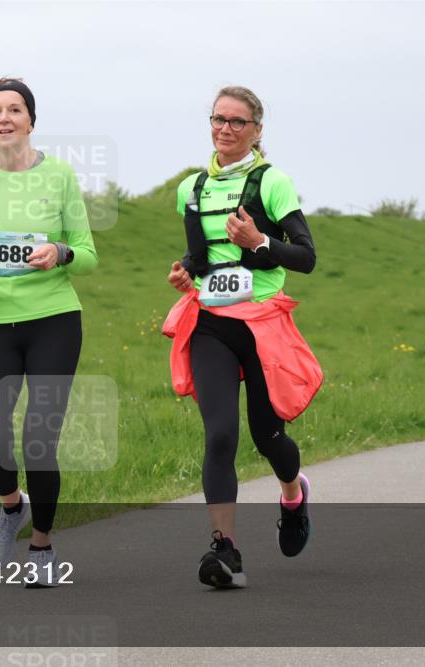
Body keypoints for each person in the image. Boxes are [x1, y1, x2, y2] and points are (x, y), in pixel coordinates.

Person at [165, 85, 320, 589]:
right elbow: (202, 257)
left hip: (261, 325)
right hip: (210, 322)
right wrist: (186, 273)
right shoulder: (191, 189)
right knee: (220, 435)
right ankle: (224, 550)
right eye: (218, 120)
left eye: (237, 122)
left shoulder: (272, 182)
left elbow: (306, 256)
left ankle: (293, 495)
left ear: (256, 131)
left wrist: (259, 242)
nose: (225, 129)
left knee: (267, 436)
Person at [0, 77, 98, 588]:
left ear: (31, 121)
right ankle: (11, 509)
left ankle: (42, 544)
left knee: (39, 440)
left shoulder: (59, 177)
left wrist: (60, 252)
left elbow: (87, 251)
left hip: (53, 320)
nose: (5, 117)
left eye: (15, 109)